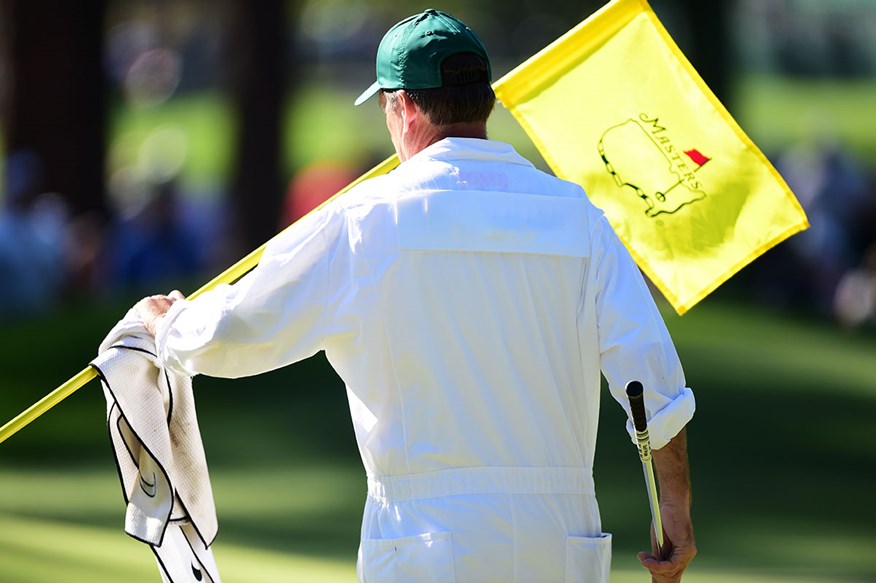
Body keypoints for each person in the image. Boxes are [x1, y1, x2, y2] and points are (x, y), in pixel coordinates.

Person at [134, 9, 696, 582]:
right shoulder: (578, 217)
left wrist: (171, 327)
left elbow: (244, 328)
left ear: (401, 105)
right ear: (486, 104)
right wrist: (673, 507)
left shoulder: (363, 220)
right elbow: (650, 378)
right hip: (561, 539)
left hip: (424, 538)